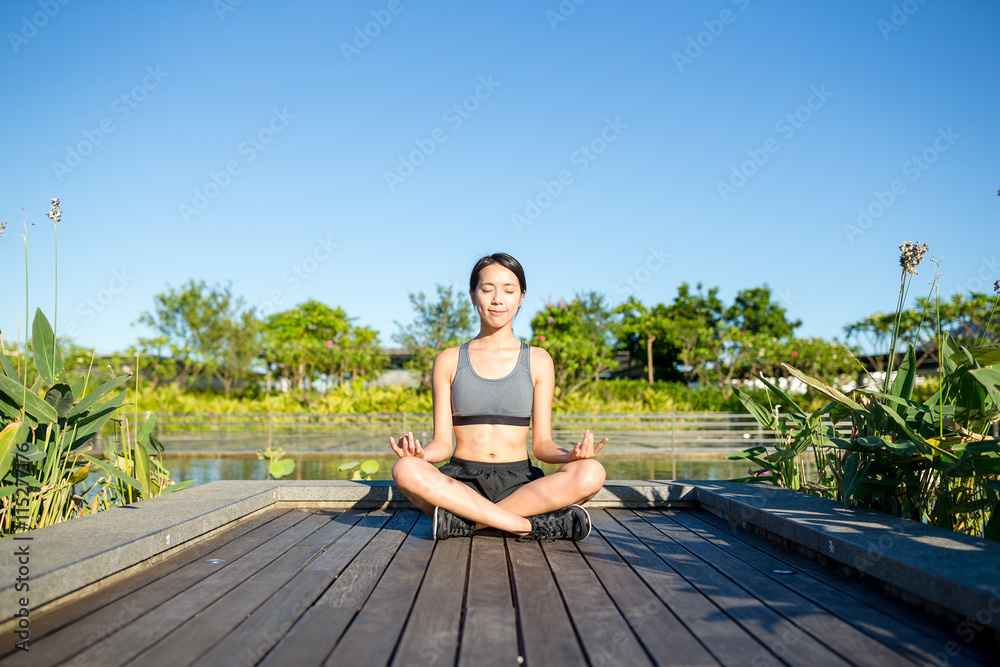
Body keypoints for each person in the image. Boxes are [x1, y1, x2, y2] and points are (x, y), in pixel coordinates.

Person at [390, 252, 608, 541]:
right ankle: (529, 526)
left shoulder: (539, 360)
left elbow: (542, 444)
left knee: (591, 472)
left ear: (521, 297)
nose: (497, 299)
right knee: (405, 469)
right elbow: (442, 443)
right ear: (472, 295)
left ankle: (467, 522)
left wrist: (570, 456)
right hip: (462, 481)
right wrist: (420, 455)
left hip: (519, 483)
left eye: (508, 290)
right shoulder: (449, 360)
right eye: (487, 289)